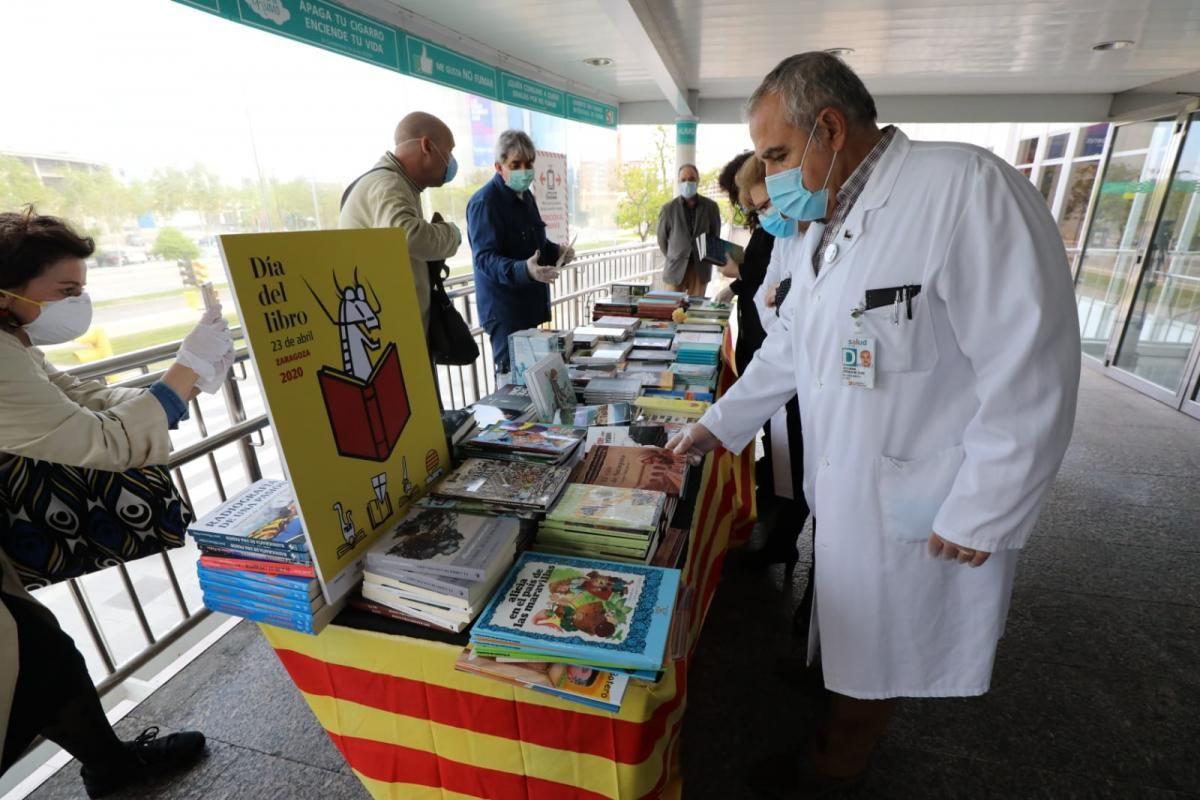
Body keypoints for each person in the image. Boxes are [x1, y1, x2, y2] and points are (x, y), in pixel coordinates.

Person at [668, 52, 1081, 796]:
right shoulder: (830, 220)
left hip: (925, 498)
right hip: (855, 484)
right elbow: (792, 344)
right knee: (856, 640)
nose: (773, 177)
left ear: (829, 128)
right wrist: (714, 427)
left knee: (883, 660)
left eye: (778, 155)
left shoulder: (965, 189)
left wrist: (987, 508)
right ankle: (833, 736)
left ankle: (831, 772)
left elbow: (1033, 366)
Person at [0, 209, 234, 797]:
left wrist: (180, 383)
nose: (78, 304)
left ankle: (110, 764)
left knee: (44, 652)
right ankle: (110, 764)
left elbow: (79, 397)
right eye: (66, 291)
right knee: (35, 658)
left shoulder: (12, 339)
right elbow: (100, 439)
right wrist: (184, 372)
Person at [339, 111, 463, 338]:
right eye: (450, 150)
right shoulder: (388, 184)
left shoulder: (397, 185)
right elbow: (408, 236)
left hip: (398, 327)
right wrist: (451, 234)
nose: (452, 161)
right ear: (427, 146)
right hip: (390, 333)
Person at [466, 130, 575, 375]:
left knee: (534, 379)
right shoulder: (485, 203)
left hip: (529, 306)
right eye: (515, 164)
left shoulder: (526, 197)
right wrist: (524, 269)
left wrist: (558, 251)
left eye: (528, 164)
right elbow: (484, 258)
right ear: (499, 166)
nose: (524, 171)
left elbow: (536, 245)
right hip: (505, 311)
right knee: (512, 383)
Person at [656, 164, 721, 297]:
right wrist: (675, 255)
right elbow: (662, 240)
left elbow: (715, 236)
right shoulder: (668, 209)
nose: (687, 183)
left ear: (697, 180)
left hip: (700, 269)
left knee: (695, 312)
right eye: (683, 180)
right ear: (679, 182)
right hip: (675, 268)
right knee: (672, 311)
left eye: (691, 179)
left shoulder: (711, 207)